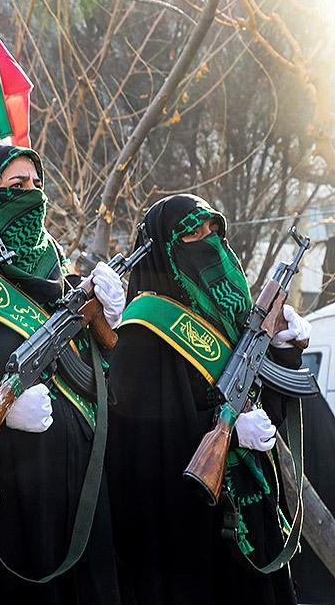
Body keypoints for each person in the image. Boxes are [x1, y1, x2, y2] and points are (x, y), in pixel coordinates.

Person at [0, 145, 124, 604]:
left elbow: (102, 387)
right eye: (16, 186)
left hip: (73, 490)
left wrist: (106, 329)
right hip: (6, 497)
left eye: (37, 185)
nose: (33, 196)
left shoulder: (57, 278)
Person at [106, 194, 311, 605]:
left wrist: (284, 351)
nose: (210, 242)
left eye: (214, 230)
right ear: (164, 252)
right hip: (193, 534)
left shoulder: (229, 322)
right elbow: (138, 446)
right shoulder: (143, 331)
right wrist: (225, 431)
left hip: (252, 517)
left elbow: (268, 417)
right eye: (193, 234)